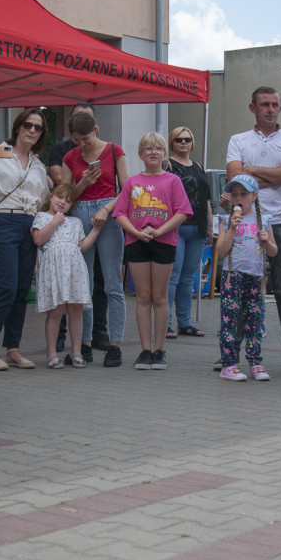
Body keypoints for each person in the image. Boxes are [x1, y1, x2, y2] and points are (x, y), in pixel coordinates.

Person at [226, 86, 281, 373]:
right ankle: (230, 355)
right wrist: (274, 174)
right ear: (253, 108)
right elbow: (235, 178)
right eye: (264, 105)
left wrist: (251, 170)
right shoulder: (238, 140)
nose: (270, 109)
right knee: (241, 288)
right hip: (247, 222)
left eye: (275, 104)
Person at [0, 108, 51, 371]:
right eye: (27, 124)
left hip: (28, 224)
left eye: (38, 127)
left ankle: (13, 349)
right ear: (17, 127)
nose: (31, 130)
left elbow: (42, 202)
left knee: (20, 290)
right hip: (2, 221)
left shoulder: (38, 165)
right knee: (4, 287)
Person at [114, 133, 192, 370]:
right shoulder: (132, 182)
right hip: (137, 242)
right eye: (148, 149)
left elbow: (182, 212)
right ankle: (145, 350)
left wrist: (159, 231)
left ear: (164, 153)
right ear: (140, 154)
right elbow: (120, 214)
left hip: (164, 242)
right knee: (143, 297)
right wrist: (137, 233)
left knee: (160, 297)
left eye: (158, 148)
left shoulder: (172, 181)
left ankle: (160, 350)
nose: (153, 152)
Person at [60, 111, 129, 368]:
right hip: (80, 214)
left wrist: (107, 209)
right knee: (83, 284)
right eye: (78, 140)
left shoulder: (114, 151)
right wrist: (82, 184)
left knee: (112, 283)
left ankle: (116, 345)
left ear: (96, 130)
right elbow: (66, 198)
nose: (83, 145)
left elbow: (127, 190)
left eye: (87, 139)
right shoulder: (70, 157)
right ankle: (84, 344)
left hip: (107, 214)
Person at [32, 184, 102, 369]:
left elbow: (83, 246)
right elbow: (38, 239)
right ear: (50, 197)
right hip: (53, 268)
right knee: (55, 310)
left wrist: (95, 230)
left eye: (68, 201)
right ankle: (52, 353)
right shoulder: (41, 217)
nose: (62, 202)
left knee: (76, 309)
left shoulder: (75, 222)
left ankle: (77, 352)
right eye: (59, 198)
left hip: (74, 269)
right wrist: (55, 221)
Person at [214, 174, 276, 381]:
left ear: (255, 196)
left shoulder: (264, 220)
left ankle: (255, 363)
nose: (239, 198)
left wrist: (267, 241)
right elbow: (221, 251)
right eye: (235, 194)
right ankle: (228, 365)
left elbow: (274, 252)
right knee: (230, 320)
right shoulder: (224, 219)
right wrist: (232, 227)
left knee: (254, 322)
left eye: (244, 194)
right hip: (233, 276)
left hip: (255, 277)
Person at [163, 126, 213, 339]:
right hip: (177, 227)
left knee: (188, 278)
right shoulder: (168, 165)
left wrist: (210, 226)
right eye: (178, 140)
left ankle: (184, 322)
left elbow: (206, 200)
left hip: (198, 228)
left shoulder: (199, 166)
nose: (183, 143)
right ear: (172, 143)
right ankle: (165, 322)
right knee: (172, 277)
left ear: (192, 143)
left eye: (187, 139)